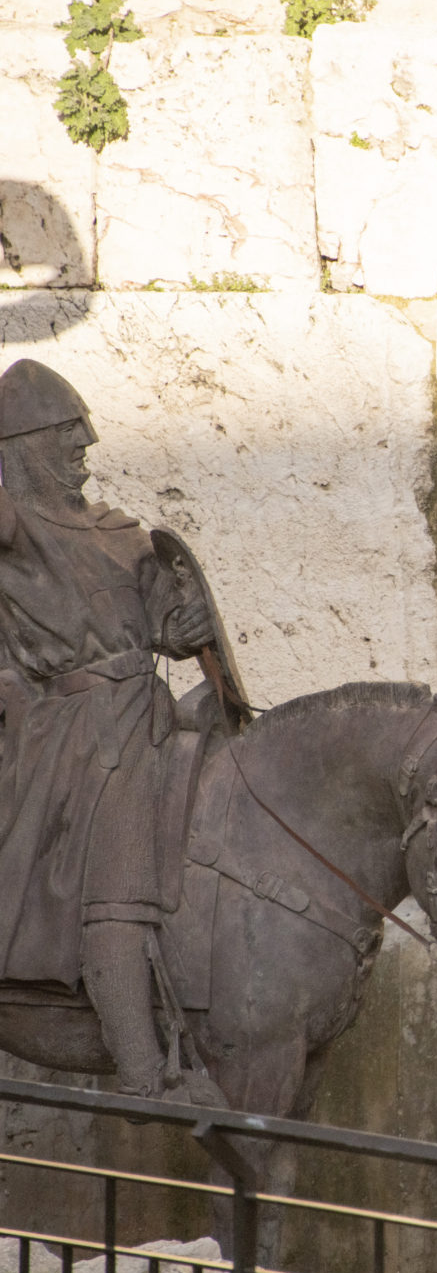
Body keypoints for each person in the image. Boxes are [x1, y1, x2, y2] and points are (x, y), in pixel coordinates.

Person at [0, 357, 220, 1102]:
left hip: (146, 711)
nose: (83, 445)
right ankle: (143, 1074)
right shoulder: (16, 528)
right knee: (119, 878)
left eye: (83, 429)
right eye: (64, 430)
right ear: (22, 444)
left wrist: (184, 625)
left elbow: (165, 624)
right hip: (74, 729)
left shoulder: (120, 532)